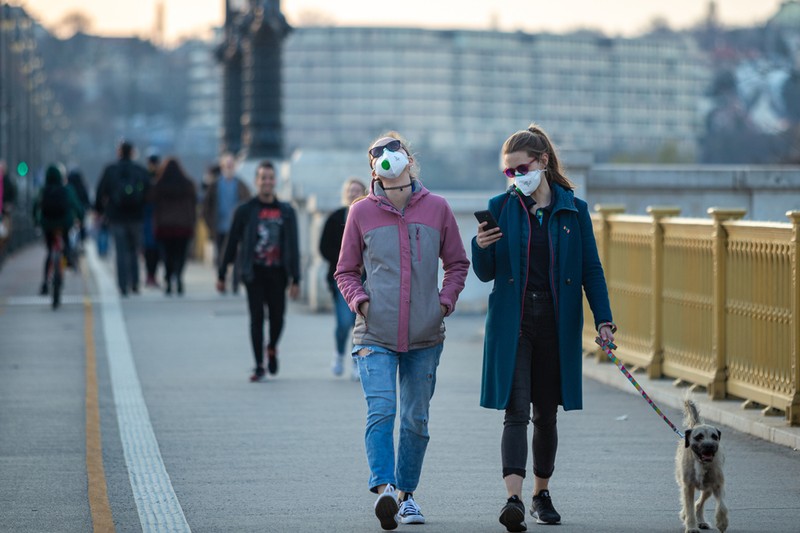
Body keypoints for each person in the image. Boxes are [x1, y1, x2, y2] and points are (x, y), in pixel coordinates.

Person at [471, 124, 616, 532]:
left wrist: (603, 320)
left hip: (556, 320)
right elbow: (485, 273)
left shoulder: (573, 210)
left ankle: (541, 493)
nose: (515, 177)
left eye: (522, 168)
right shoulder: (501, 206)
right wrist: (479, 247)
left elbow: (591, 268)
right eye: (509, 172)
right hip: (513, 322)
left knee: (546, 413)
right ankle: (513, 499)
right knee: (515, 411)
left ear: (543, 162)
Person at [335, 132, 469, 530]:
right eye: (377, 153)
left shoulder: (438, 209)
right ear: (372, 167)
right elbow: (345, 270)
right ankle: (386, 491)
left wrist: (444, 302)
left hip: (425, 335)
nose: (387, 157)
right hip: (374, 333)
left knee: (415, 419)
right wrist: (360, 300)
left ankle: (408, 495)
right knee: (382, 410)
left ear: (409, 159)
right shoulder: (360, 212)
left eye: (394, 150)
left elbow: (457, 264)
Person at [216, 160, 300, 382]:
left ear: (275, 182)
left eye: (270, 178)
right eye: (263, 178)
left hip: (278, 273)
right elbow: (232, 242)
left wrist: (296, 279)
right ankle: (259, 365)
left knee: (278, 318)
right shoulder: (245, 210)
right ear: (256, 181)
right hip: (253, 273)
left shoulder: (286, 211)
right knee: (256, 318)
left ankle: (271, 347)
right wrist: (222, 273)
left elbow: (293, 245)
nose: (267, 182)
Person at [319, 178, 367, 380]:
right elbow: (323, 247)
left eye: (357, 191)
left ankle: (357, 362)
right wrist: (345, 262)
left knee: (360, 322)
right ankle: (339, 353)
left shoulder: (370, 217)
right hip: (342, 278)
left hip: (365, 279)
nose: (353, 194)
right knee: (344, 322)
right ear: (345, 194)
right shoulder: (336, 217)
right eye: (350, 191)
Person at [94, 140, 151, 296]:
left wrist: (100, 211)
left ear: (119, 152)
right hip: (136, 217)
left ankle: (122, 285)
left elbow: (100, 192)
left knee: (120, 251)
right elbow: (149, 191)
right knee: (134, 250)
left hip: (116, 217)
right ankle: (135, 283)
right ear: (132, 152)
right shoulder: (140, 170)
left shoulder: (110, 170)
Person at [33, 164, 85, 296]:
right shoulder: (67, 189)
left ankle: (45, 282)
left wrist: (36, 221)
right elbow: (77, 206)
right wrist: (80, 219)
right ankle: (69, 260)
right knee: (66, 241)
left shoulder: (42, 190)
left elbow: (35, 207)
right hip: (64, 223)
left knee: (50, 250)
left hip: (47, 224)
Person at [203, 152, 251, 294]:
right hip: (219, 226)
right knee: (221, 256)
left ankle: (235, 282)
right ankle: (222, 279)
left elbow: (248, 204)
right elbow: (206, 207)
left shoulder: (241, 184)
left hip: (236, 228)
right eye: (227, 165)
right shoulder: (215, 185)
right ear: (223, 166)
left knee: (237, 256)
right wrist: (210, 224)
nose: (229, 167)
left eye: (232, 164)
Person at [152, 158, 197, 295]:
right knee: (180, 254)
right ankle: (178, 275)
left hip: (164, 226)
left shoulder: (160, 184)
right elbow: (194, 204)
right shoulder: (188, 184)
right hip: (183, 226)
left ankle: (168, 278)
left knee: (167, 255)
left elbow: (151, 200)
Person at [143, 152, 162, 288]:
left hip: (151, 216)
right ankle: (151, 275)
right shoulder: (161, 177)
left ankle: (151, 275)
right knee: (151, 249)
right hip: (153, 216)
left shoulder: (144, 176)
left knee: (151, 249)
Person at [66, 169, 91, 251]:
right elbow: (86, 199)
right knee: (82, 225)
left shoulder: (68, 188)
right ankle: (82, 242)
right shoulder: (82, 186)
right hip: (79, 213)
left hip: (69, 215)